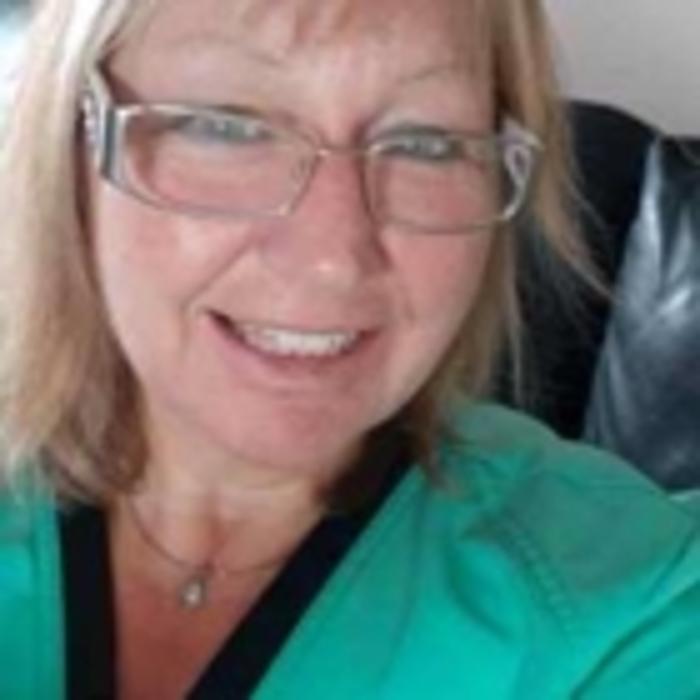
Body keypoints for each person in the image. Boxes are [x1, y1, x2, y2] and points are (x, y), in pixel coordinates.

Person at [0, 0, 699, 698]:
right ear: (68, 147)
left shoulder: (630, 599)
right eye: (226, 127)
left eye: (426, 143)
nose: (333, 257)